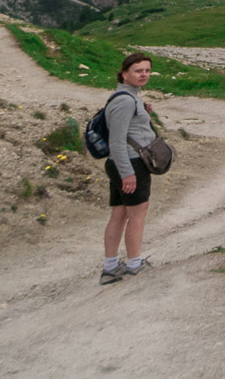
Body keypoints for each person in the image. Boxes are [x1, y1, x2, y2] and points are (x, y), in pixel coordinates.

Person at [100, 53, 157, 285]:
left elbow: (128, 129)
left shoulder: (126, 97)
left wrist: (144, 113)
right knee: (137, 215)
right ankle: (134, 264)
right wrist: (128, 173)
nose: (143, 74)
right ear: (124, 74)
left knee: (120, 214)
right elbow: (116, 141)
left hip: (121, 164)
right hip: (130, 164)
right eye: (138, 70)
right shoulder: (125, 101)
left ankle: (111, 267)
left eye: (147, 70)